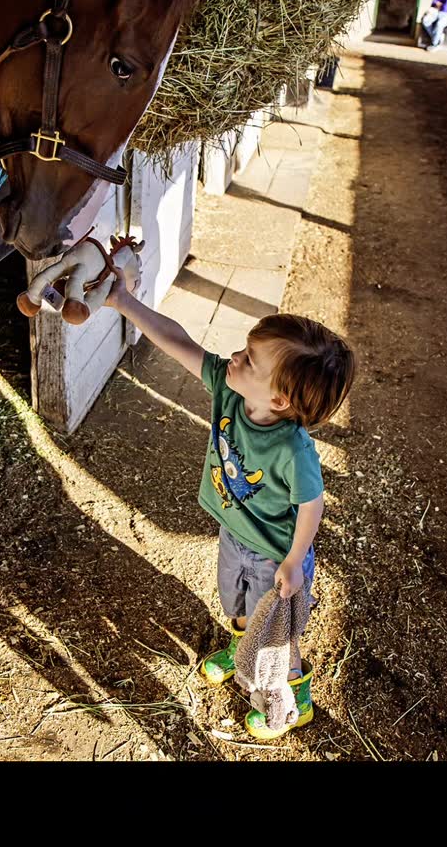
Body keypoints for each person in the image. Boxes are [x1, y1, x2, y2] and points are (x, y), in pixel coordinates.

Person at [105, 269, 356, 740]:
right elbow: (178, 342)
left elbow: (312, 504)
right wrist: (124, 302)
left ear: (278, 398)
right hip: (232, 533)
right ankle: (242, 643)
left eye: (249, 359)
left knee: (277, 630)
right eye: (244, 349)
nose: (234, 357)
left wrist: (295, 560)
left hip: (275, 554)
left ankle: (288, 691)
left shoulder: (292, 449)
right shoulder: (229, 387)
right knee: (236, 605)